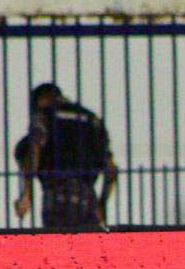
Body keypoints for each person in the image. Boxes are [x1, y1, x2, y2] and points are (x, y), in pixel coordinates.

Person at [14, 83, 118, 228]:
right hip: (87, 197)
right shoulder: (92, 119)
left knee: (58, 240)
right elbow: (111, 170)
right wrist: (101, 205)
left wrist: (26, 194)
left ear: (41, 100)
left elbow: (34, 150)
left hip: (56, 194)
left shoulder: (44, 115)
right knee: (87, 242)